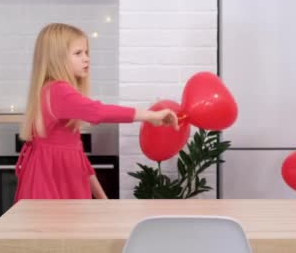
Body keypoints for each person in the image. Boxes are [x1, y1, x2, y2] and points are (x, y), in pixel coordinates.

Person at [14, 23, 178, 201]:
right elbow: (98, 112)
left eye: (86, 52)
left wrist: (102, 198)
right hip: (51, 184)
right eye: (78, 53)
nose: (86, 59)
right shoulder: (57, 91)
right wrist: (150, 116)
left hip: (57, 181)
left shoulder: (52, 91)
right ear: (56, 59)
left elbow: (78, 159)